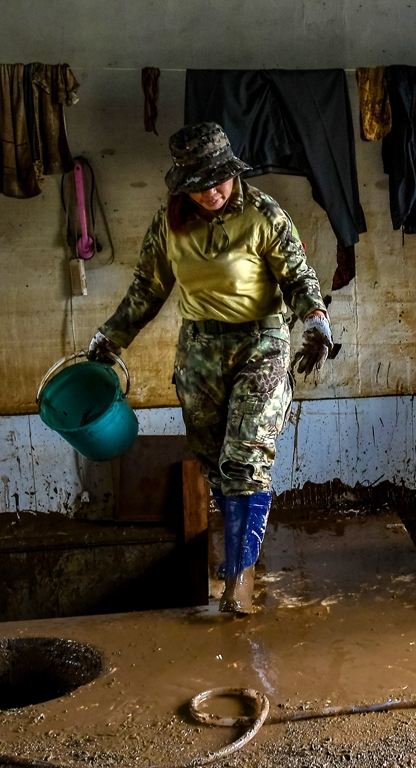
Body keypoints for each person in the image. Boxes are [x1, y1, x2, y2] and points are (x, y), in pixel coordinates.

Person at [86, 123, 334, 615]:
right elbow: (147, 289)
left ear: (232, 172)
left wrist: (317, 321)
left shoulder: (264, 213)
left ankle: (240, 578)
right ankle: (238, 554)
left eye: (219, 180)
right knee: (216, 463)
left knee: (245, 460)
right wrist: (109, 338)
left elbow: (298, 275)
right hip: (199, 348)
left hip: (261, 342)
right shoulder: (169, 223)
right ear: (182, 185)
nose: (212, 191)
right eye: (200, 183)